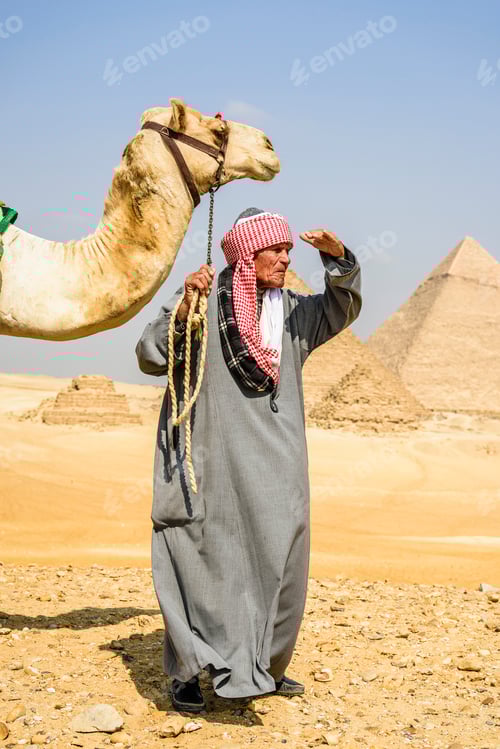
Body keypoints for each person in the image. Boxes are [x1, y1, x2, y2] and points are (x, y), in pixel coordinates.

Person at [135, 207, 362, 712]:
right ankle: (190, 673)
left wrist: (339, 260)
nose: (285, 259)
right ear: (245, 255)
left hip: (277, 466)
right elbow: (150, 354)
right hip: (210, 460)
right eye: (275, 251)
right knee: (197, 559)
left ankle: (262, 667)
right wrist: (183, 306)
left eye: (288, 250)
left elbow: (341, 307)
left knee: (281, 559)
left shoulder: (294, 316)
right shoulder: (200, 302)